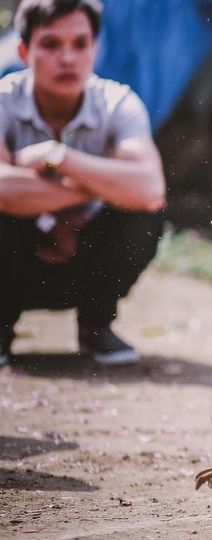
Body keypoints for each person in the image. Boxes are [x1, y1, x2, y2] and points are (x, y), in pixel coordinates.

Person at [0, 0, 166, 367]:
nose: (68, 58)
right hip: (16, 261)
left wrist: (58, 158)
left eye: (80, 43)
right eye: (51, 44)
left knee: (143, 218)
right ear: (25, 51)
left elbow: (150, 190)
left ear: (95, 48)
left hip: (84, 259)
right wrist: (98, 185)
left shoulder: (118, 103)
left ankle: (96, 323)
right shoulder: (3, 101)